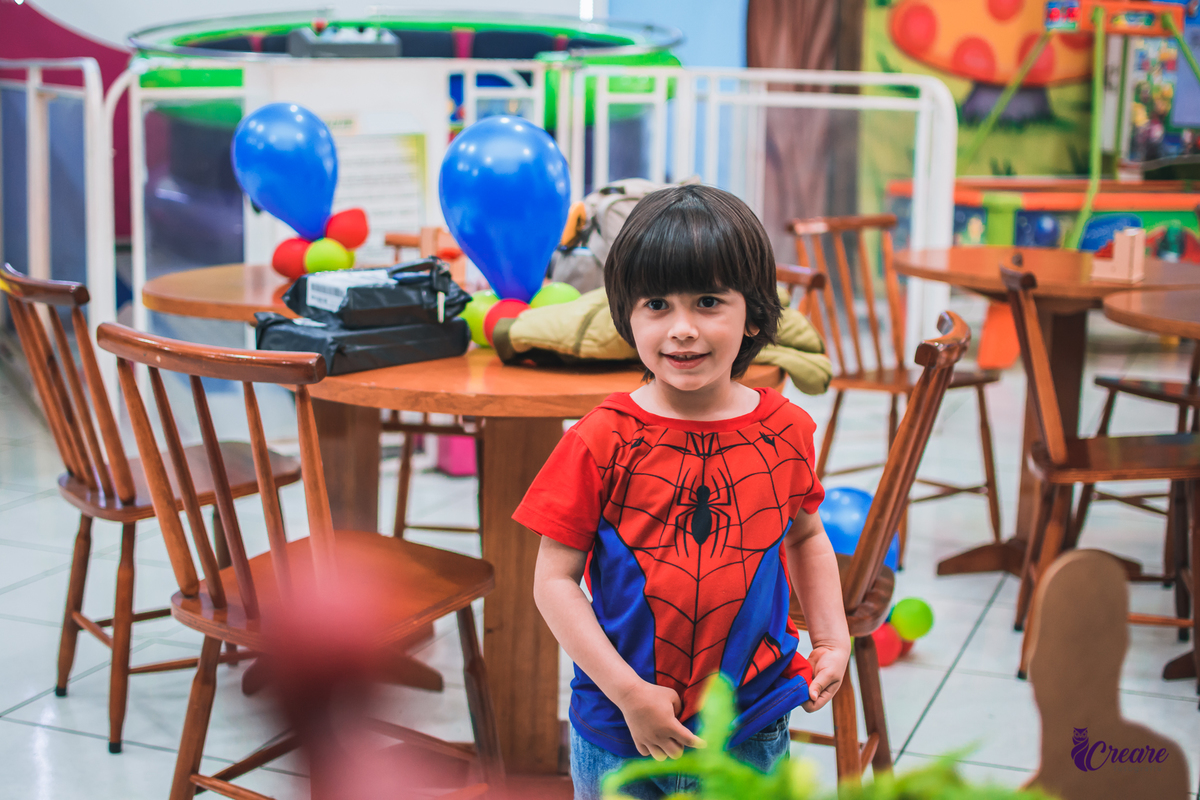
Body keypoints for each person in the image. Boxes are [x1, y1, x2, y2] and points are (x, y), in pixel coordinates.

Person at [514, 184, 849, 800]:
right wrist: (628, 693)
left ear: (752, 313)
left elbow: (805, 534)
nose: (683, 329)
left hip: (750, 719)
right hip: (620, 726)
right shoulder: (599, 439)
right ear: (627, 316)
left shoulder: (786, 429)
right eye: (657, 305)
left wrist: (831, 637)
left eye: (708, 301)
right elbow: (552, 582)